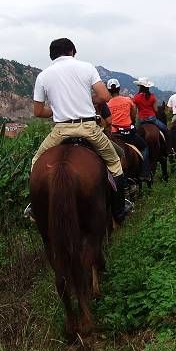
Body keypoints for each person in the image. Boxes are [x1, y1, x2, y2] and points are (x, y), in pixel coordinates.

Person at [28, 38, 133, 222]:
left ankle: (35, 208)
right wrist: (87, 100)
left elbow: (38, 111)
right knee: (115, 162)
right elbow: (105, 96)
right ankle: (119, 207)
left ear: (52, 55)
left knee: (36, 162)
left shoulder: (43, 76)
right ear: (72, 51)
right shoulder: (87, 67)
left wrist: (57, 108)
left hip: (60, 130)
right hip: (89, 128)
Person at [106, 78, 151, 181]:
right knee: (144, 147)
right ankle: (145, 173)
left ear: (109, 90)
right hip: (129, 134)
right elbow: (133, 113)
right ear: (119, 88)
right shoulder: (127, 100)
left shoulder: (108, 105)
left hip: (115, 135)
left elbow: (107, 122)